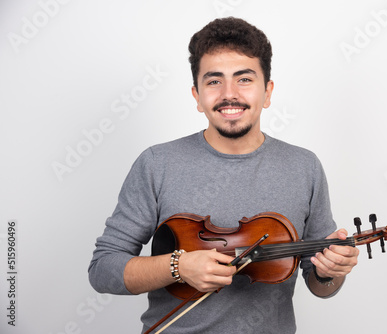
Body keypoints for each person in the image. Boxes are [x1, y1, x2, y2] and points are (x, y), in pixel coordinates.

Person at [89, 17, 359, 334]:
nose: (229, 94)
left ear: (268, 92)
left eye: (244, 79)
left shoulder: (304, 166)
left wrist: (331, 272)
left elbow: (320, 284)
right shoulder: (157, 163)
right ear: (197, 96)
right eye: (214, 81)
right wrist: (177, 266)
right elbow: (103, 269)